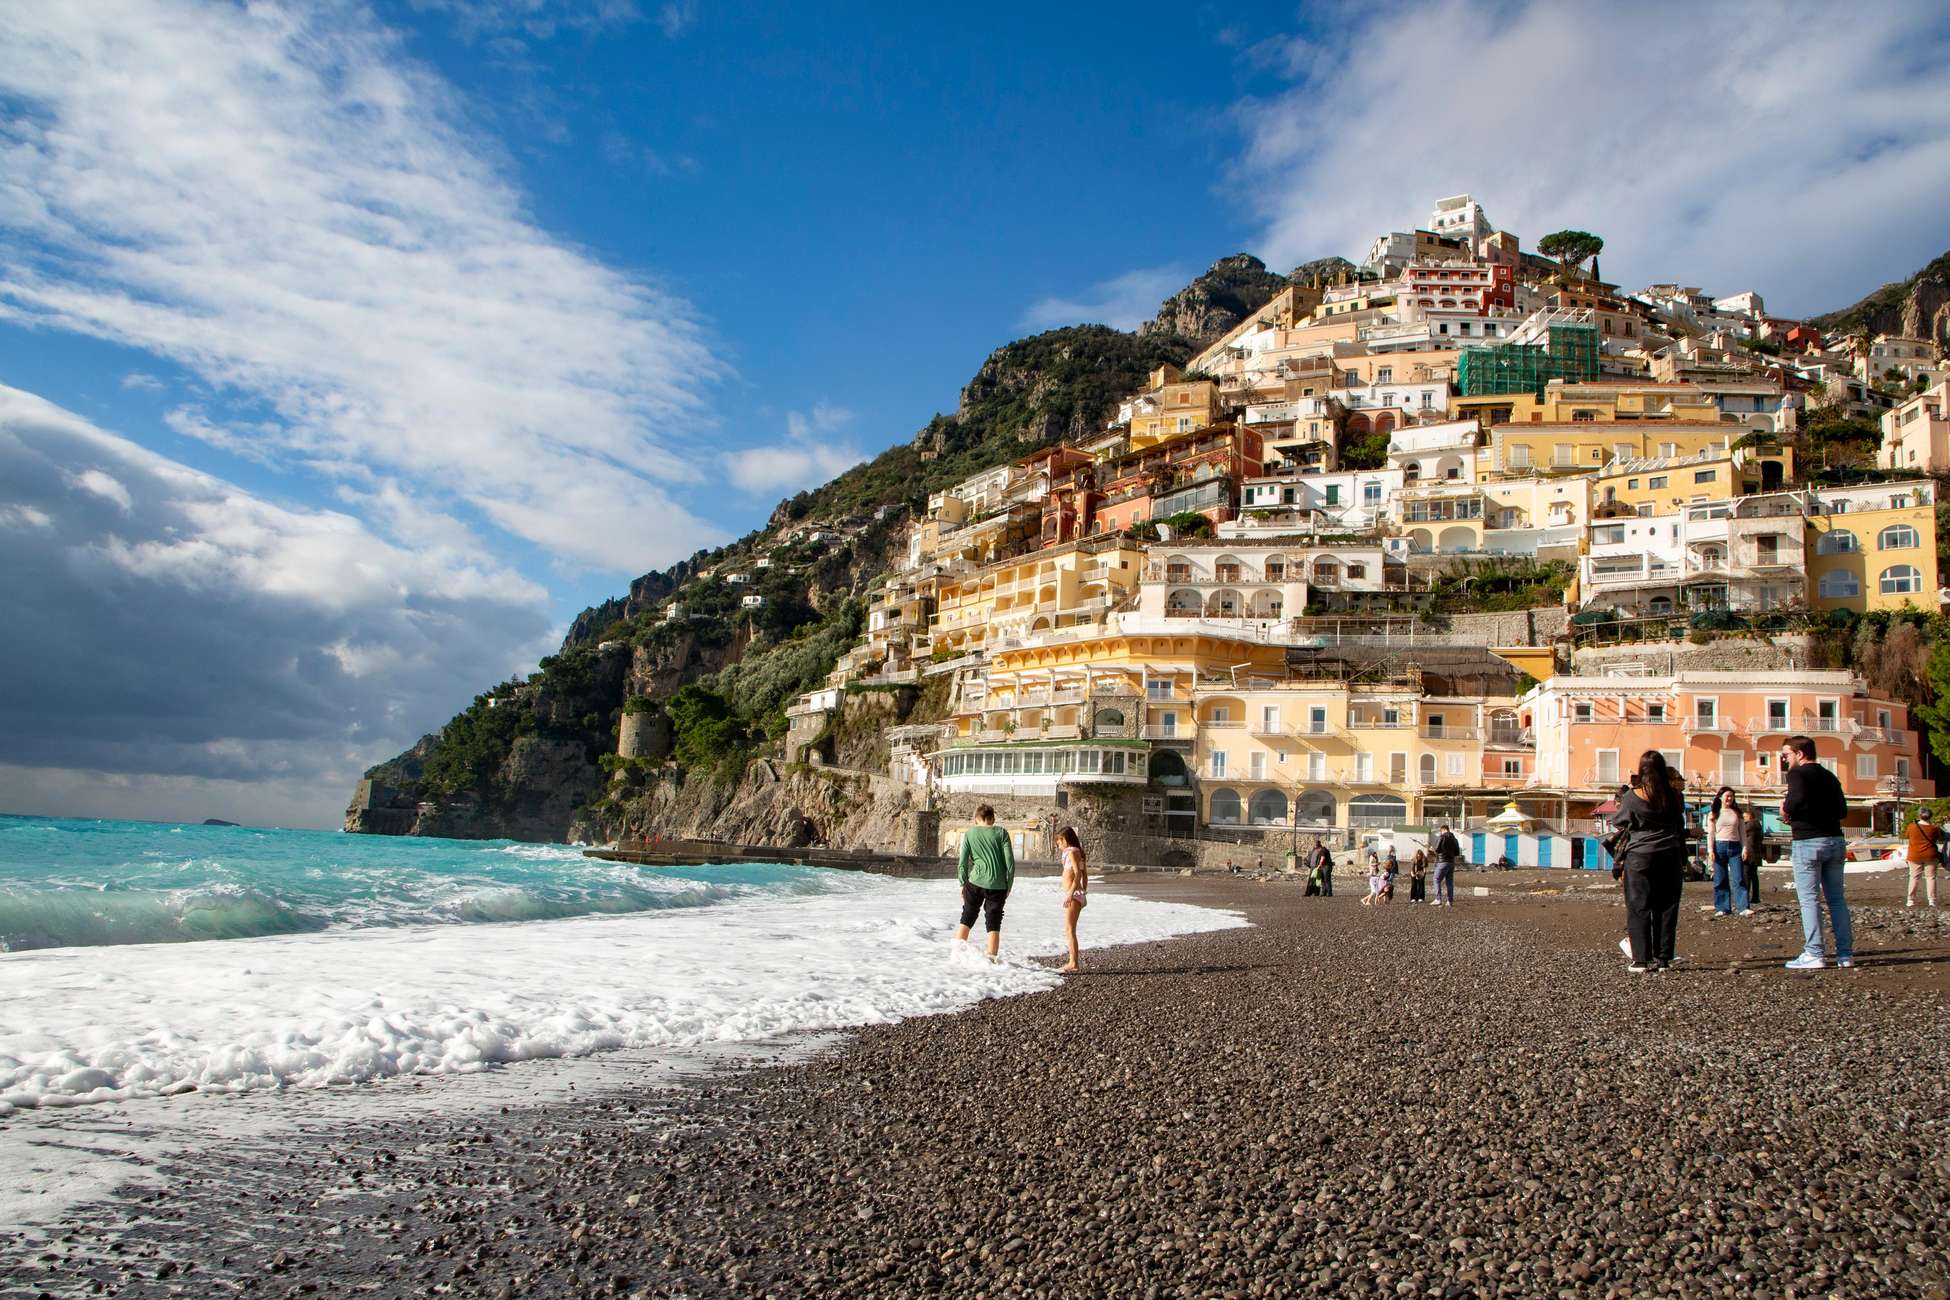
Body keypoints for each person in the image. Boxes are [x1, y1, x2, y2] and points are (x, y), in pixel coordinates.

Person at [1779, 736, 1851, 970]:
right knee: (1837, 900)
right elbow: (1842, 810)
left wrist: (1786, 808)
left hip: (1808, 840)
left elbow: (1796, 799)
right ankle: (1845, 954)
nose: (1784, 759)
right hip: (1835, 839)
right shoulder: (1830, 776)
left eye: (1786, 754)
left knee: (1809, 900)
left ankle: (1814, 953)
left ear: (1799, 754)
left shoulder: (1798, 774)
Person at [1613, 751, 1687, 973]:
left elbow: (1620, 821)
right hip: (1670, 853)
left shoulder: (1633, 796)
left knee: (1638, 905)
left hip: (1640, 854)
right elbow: (1678, 821)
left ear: (1641, 769)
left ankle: (1641, 959)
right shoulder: (1674, 795)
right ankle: (1663, 958)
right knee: (1666, 906)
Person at [954, 805, 1017, 963]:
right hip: (998, 885)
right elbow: (1010, 864)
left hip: (974, 882)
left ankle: (956, 956)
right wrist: (1008, 885)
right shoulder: (1001, 833)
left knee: (967, 917)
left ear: (976, 818)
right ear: (992, 818)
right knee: (994, 922)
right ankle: (991, 960)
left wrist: (962, 883)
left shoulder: (969, 834)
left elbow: (962, 863)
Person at [1708, 787, 1751, 918]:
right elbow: (1711, 834)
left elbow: (1743, 833)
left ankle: (1743, 907)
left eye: (1732, 796)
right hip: (1719, 846)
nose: (1729, 798)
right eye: (1727, 796)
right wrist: (1710, 850)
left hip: (1735, 846)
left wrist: (1745, 848)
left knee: (1739, 878)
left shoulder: (1737, 813)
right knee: (1720, 879)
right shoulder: (1714, 813)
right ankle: (1723, 907)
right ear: (1720, 797)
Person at [1056, 826, 1088, 971]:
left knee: (1070, 929)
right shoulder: (1077, 852)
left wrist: (1071, 893)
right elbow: (1084, 875)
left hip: (1073, 894)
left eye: (1059, 841)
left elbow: (1078, 874)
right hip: (1077, 894)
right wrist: (1083, 892)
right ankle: (1073, 962)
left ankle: (1073, 963)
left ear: (1065, 839)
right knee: (1070, 929)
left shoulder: (1072, 852)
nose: (1058, 844)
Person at [1905, 808, 1942, 909]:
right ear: (1930, 816)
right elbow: (1939, 838)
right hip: (1930, 855)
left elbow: (1907, 835)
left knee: (1914, 877)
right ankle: (1932, 900)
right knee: (1930, 877)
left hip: (1914, 855)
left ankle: (1910, 900)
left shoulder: (1912, 826)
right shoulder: (1934, 828)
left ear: (1919, 815)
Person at [1431, 824, 1461, 907]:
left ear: (1443, 830)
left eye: (1441, 831)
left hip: (1442, 861)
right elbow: (1457, 852)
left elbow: (1436, 849)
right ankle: (1449, 901)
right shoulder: (1455, 839)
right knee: (1449, 881)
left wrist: (1432, 849)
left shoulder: (1442, 837)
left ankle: (1438, 899)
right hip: (1451, 862)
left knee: (1436, 879)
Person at [1741, 806, 1765, 905]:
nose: (1743, 818)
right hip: (1756, 853)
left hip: (1749, 853)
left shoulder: (1750, 825)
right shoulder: (1758, 825)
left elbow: (1742, 833)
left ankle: (1745, 897)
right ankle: (1755, 897)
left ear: (1750, 817)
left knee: (1746, 875)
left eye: (1745, 816)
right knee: (1754, 876)